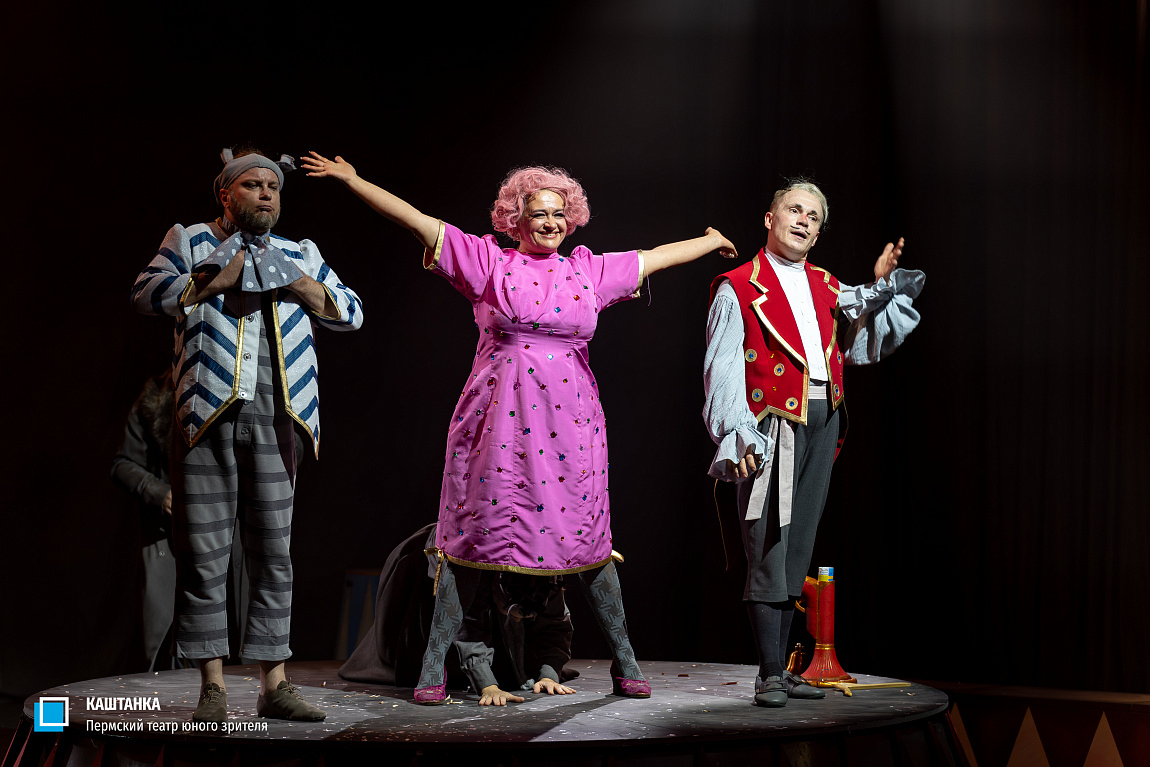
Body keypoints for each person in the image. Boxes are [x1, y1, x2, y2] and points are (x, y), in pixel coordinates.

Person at [303, 152, 736, 704]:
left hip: (570, 424)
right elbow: (418, 221)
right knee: (472, 540)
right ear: (516, 219)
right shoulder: (489, 263)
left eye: (558, 213)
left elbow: (653, 259)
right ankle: (434, 669)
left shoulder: (586, 271)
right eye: (539, 214)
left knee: (586, 539)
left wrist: (709, 242)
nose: (550, 223)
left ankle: (625, 663)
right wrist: (354, 180)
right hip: (498, 422)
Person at [131, 146, 364, 722]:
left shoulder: (300, 251)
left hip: (279, 417)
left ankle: (274, 684)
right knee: (204, 554)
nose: (265, 193)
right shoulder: (190, 240)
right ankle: (212, 686)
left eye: (273, 187)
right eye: (253, 185)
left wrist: (299, 283)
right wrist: (213, 280)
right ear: (225, 194)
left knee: (273, 554)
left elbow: (351, 312)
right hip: (206, 415)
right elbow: (145, 293)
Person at [703, 180, 924, 708]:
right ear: (770, 218)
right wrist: (737, 432)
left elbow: (858, 321)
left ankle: (785, 670)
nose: (803, 221)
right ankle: (769, 673)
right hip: (771, 425)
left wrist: (880, 283)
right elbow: (723, 367)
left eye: (814, 217)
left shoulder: (825, 283)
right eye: (794, 210)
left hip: (825, 420)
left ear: (819, 232)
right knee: (768, 543)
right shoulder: (739, 285)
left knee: (798, 543)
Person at [339, 523, 579, 706]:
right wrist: (487, 686)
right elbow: (469, 627)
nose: (515, 619)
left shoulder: (547, 572)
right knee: (454, 618)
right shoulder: (474, 570)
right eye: (512, 613)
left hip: (517, 543)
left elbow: (557, 624)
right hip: (461, 548)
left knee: (516, 668)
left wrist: (549, 675)